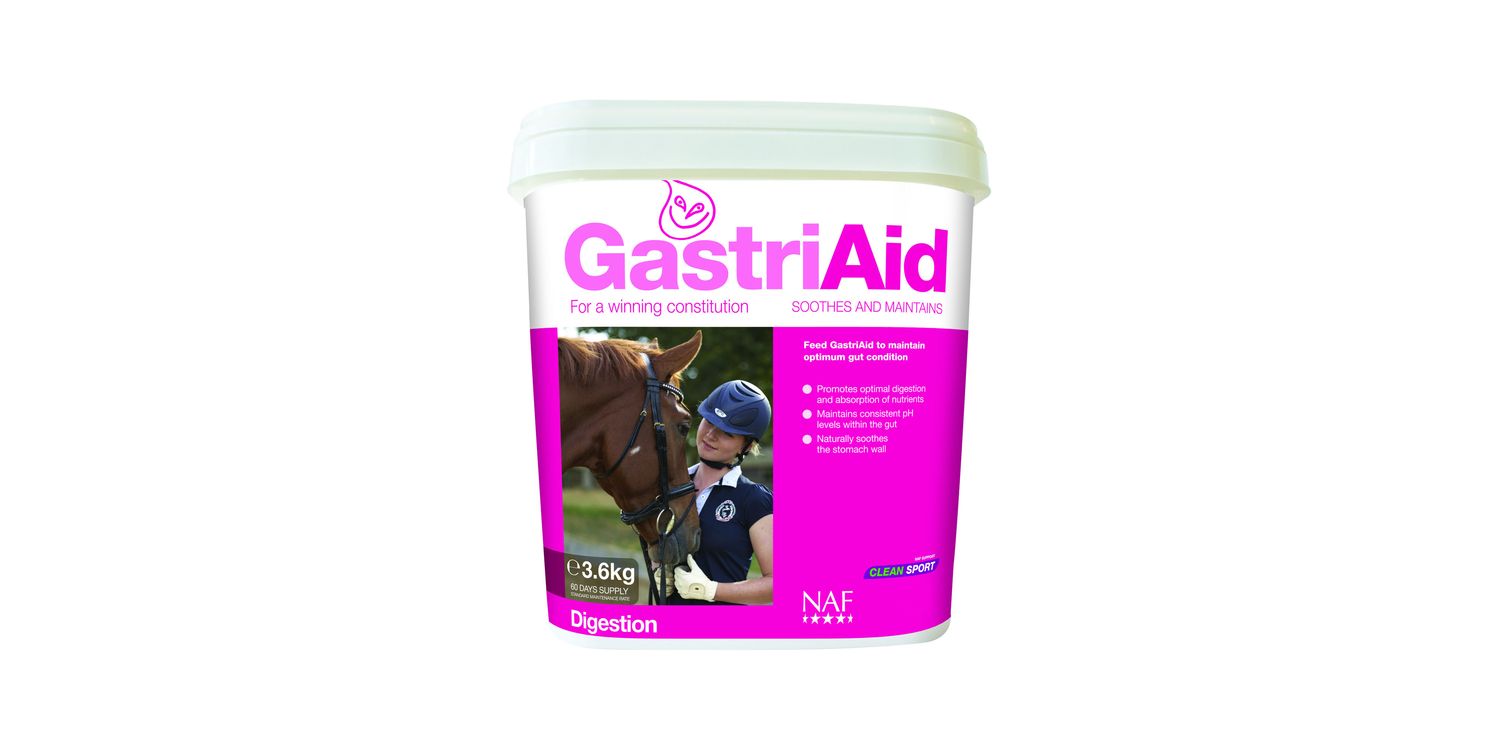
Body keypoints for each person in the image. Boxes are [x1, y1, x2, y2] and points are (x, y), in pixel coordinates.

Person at [668, 379, 773, 605]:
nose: (710, 435)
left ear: (746, 446)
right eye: (709, 421)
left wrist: (711, 590)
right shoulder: (670, 486)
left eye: (727, 433)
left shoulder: (754, 499)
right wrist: (658, 567)